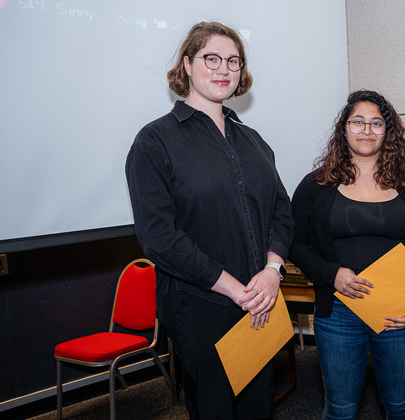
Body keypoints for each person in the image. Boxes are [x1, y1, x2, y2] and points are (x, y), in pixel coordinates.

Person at [125, 21, 293, 419]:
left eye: (233, 61)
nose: (223, 70)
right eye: (211, 58)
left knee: (257, 408)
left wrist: (272, 271)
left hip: (261, 301)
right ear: (187, 64)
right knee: (215, 410)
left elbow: (281, 213)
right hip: (200, 306)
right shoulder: (154, 141)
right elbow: (160, 238)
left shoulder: (254, 141)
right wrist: (235, 289)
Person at [289, 90, 405, 420]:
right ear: (344, 128)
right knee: (340, 409)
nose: (367, 130)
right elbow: (294, 243)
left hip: (397, 312)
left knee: (400, 405)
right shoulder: (316, 185)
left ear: (389, 131)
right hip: (338, 310)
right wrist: (332, 274)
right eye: (358, 122)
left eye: (376, 123)